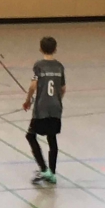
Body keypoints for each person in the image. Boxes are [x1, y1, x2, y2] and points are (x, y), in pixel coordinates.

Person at [23, 37, 66, 186]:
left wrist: (28, 100)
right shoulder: (59, 67)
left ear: (40, 49)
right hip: (56, 108)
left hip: (41, 108)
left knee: (30, 136)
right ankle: (52, 173)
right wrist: (56, 100)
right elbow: (63, 89)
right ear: (55, 49)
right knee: (52, 138)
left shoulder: (39, 66)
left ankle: (43, 168)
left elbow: (33, 85)